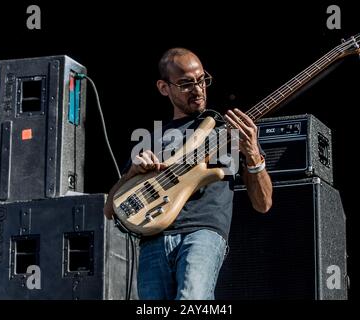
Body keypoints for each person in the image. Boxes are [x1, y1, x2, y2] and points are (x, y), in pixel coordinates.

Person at [104, 48, 273, 300]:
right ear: (164, 87)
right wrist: (131, 173)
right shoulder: (151, 139)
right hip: (153, 241)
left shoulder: (228, 132)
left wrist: (253, 155)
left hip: (203, 232)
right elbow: (110, 210)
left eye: (202, 80)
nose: (198, 89)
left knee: (192, 298)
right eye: (185, 83)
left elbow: (263, 204)